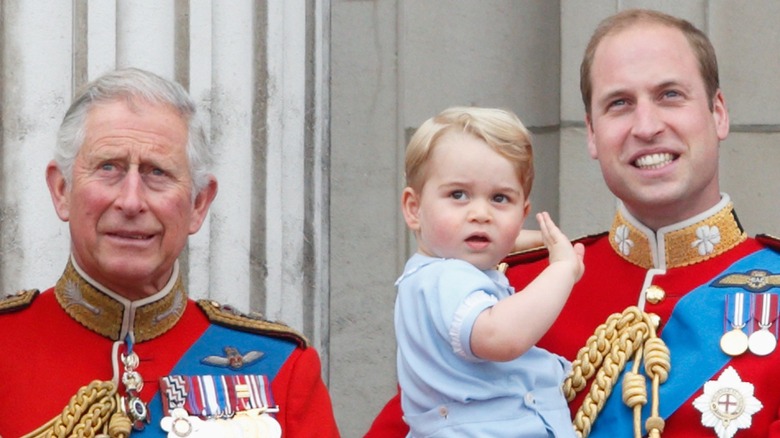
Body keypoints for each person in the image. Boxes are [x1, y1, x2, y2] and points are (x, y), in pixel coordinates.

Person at [367, 9, 780, 438]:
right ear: (592, 133)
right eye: (619, 103)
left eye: (670, 95)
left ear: (718, 113)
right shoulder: (510, 287)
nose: (647, 126)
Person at [0, 68, 339, 437]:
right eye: (108, 167)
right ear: (62, 190)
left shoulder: (280, 367)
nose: (131, 201)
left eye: (157, 172)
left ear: (198, 203)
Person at [395, 106, 585, 436]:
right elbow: (500, 337)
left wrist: (536, 238)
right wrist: (563, 269)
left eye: (499, 199)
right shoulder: (447, 277)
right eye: (458, 194)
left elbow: (492, 239)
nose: (481, 213)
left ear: (521, 212)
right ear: (414, 209)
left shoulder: (428, 272)